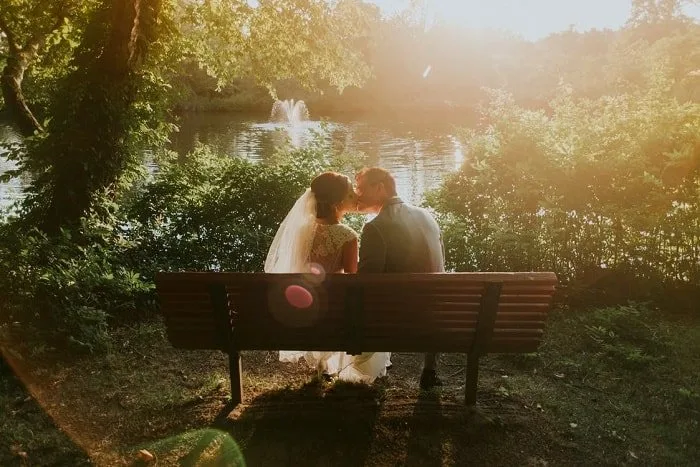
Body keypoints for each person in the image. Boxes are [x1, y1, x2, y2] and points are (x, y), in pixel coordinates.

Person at [264, 171, 390, 383]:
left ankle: (323, 366)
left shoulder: (302, 231)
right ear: (337, 202)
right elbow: (352, 281)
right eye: (351, 194)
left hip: (305, 310)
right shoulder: (347, 236)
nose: (356, 196)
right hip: (337, 313)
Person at [354, 167, 446, 389]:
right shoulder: (427, 216)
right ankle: (430, 369)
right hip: (437, 316)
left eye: (361, 189)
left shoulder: (375, 227)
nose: (358, 195)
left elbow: (365, 281)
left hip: (399, 319)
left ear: (379, 188)